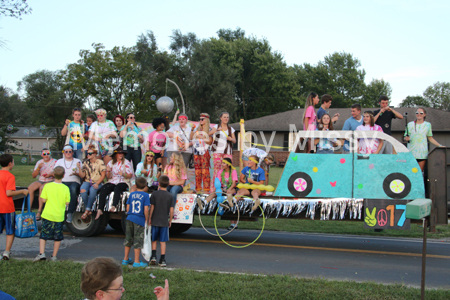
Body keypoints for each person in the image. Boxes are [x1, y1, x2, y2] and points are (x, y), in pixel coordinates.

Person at [33, 166, 70, 262]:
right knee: (57, 237)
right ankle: (54, 256)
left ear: (53, 175)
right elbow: (67, 203)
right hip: (59, 216)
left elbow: (44, 200)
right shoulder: (66, 188)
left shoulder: (47, 186)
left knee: (43, 235)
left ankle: (42, 253)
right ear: (63, 175)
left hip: (47, 214)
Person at [0, 154, 28, 260]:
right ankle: (6, 252)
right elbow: (9, 193)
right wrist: (22, 191)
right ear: (10, 163)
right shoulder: (10, 176)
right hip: (7, 207)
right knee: (10, 230)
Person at [97, 147, 134, 219]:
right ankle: (100, 209)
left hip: (123, 181)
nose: (121, 154)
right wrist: (108, 172)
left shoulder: (126, 162)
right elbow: (108, 177)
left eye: (122, 153)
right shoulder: (110, 163)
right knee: (104, 188)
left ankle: (114, 205)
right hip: (113, 180)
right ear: (116, 154)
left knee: (118, 188)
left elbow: (130, 175)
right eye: (119, 153)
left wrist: (123, 174)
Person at [404, 107, 444, 171]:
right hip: (411, 152)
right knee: (411, 172)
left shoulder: (428, 125)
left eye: (421, 113)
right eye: (417, 113)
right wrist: (406, 138)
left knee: (419, 172)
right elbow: (405, 137)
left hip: (422, 153)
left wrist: (439, 145)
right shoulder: (410, 124)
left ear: (425, 115)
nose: (419, 114)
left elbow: (430, 138)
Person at [123, 177, 150, 268]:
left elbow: (127, 207)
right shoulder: (146, 196)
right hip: (139, 219)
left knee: (128, 238)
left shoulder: (132, 194)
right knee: (138, 240)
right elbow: (146, 209)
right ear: (145, 186)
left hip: (130, 217)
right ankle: (137, 261)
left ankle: (125, 258)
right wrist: (146, 218)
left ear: (135, 185)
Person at [148, 175, 174, 268]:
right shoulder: (170, 196)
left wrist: (150, 218)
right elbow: (171, 210)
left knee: (154, 239)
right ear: (168, 184)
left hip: (155, 220)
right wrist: (170, 220)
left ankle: (153, 256)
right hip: (164, 221)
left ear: (159, 183)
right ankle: (162, 259)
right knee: (163, 241)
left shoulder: (154, 194)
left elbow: (152, 207)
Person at [209, 112, 236, 193]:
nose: (226, 119)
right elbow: (208, 134)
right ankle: (214, 189)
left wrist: (231, 139)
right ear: (220, 118)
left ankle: (227, 187)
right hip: (217, 151)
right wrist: (217, 130)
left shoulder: (231, 129)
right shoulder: (216, 127)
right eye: (224, 117)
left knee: (228, 169)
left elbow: (234, 140)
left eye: (227, 117)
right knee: (217, 170)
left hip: (227, 152)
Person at [54, 145, 82, 224]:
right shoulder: (59, 161)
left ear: (73, 152)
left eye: (70, 151)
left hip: (74, 181)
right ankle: (60, 213)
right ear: (64, 153)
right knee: (59, 193)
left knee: (72, 190)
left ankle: (70, 213)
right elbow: (55, 172)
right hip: (62, 181)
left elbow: (82, 174)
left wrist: (77, 173)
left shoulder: (77, 161)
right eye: (66, 152)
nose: (68, 153)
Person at [28, 148, 57, 220]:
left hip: (51, 180)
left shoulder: (55, 161)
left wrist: (51, 175)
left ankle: (39, 210)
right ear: (41, 155)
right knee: (30, 188)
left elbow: (58, 174)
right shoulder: (39, 162)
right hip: (41, 180)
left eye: (48, 153)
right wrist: (38, 168)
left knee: (42, 188)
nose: (46, 155)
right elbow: (34, 176)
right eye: (44, 154)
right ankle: (29, 209)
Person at [79, 146, 106, 220]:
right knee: (82, 190)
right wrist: (78, 169)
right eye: (87, 153)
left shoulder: (100, 162)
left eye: (90, 153)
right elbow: (83, 175)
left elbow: (103, 175)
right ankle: (89, 209)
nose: (88, 155)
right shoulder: (85, 162)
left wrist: (97, 183)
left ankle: (87, 210)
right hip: (88, 181)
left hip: (97, 181)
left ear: (95, 154)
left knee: (93, 190)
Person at [190, 113, 212, 193]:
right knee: (197, 171)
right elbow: (191, 138)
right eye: (200, 119)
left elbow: (210, 142)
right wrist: (192, 130)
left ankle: (206, 189)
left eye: (202, 119)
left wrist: (202, 137)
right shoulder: (198, 130)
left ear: (206, 120)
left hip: (205, 152)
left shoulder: (209, 129)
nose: (200, 120)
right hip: (196, 152)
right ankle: (198, 188)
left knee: (205, 171)